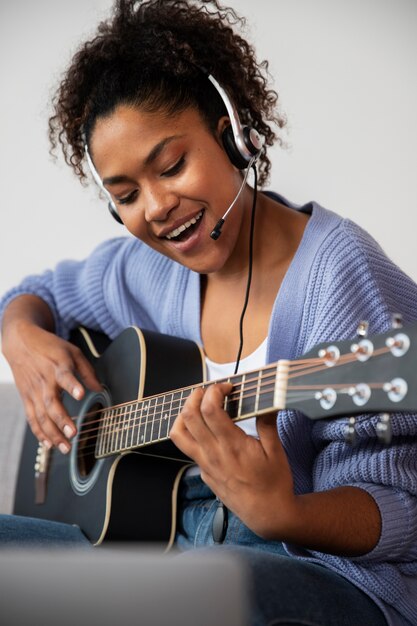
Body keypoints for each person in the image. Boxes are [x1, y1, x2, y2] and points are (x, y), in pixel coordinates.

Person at [1, 1, 417, 624]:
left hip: (313, 569)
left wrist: (287, 515)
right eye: (126, 195)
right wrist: (19, 335)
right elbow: (40, 294)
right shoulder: (148, 270)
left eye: (170, 166)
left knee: (205, 593)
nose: (157, 206)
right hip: (162, 552)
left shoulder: (339, 272)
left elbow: (403, 505)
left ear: (234, 134)